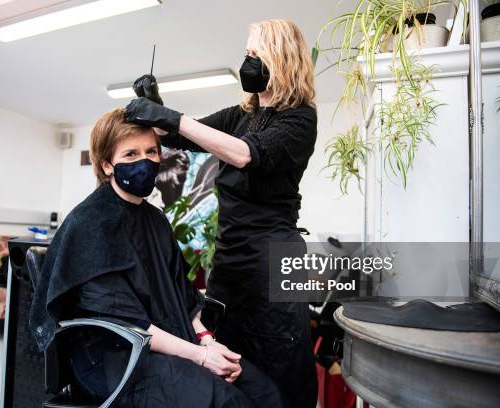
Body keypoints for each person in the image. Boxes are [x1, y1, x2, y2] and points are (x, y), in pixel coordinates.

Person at [28, 108, 283, 408]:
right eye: (131, 154)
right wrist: (201, 357)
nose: (144, 162)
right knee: (226, 402)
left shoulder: (155, 220)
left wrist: (207, 341)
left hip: (166, 344)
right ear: (107, 164)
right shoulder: (90, 223)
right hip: (116, 360)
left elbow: (181, 296)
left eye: (151, 152)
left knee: (264, 392)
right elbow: (126, 321)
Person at [124, 19, 318, 408]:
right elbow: (184, 136)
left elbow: (246, 155)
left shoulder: (300, 118)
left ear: (280, 58)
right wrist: (158, 108)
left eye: (254, 55)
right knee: (229, 359)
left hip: (275, 259)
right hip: (231, 260)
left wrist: (171, 118)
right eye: (245, 54)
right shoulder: (240, 114)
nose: (247, 62)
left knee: (281, 360)